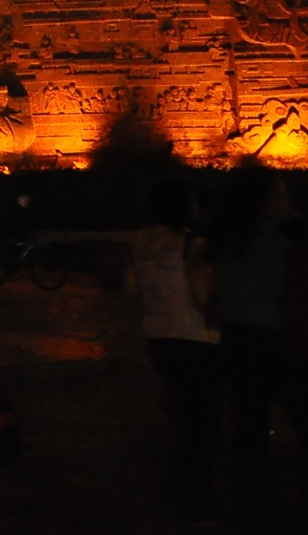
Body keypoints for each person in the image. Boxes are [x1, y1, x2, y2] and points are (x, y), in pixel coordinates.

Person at [212, 165, 306, 527]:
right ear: (262, 201)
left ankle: (255, 507)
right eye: (279, 194)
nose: (286, 200)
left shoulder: (225, 240)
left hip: (237, 340)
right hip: (275, 341)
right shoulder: (281, 242)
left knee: (249, 429)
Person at [126, 178, 222, 527]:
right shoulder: (191, 244)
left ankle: (182, 491)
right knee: (204, 424)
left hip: (158, 336)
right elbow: (201, 294)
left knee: (184, 417)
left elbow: (130, 289)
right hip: (196, 337)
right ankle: (198, 501)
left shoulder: (138, 243)